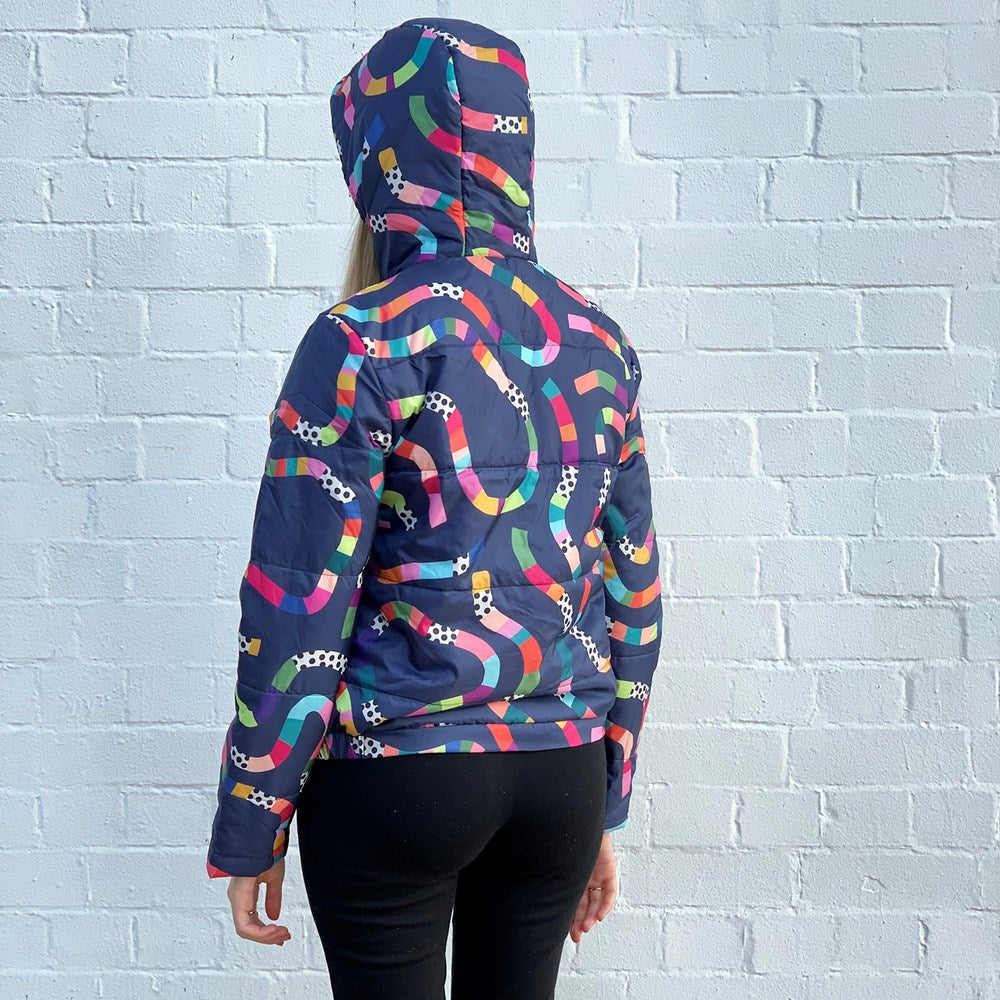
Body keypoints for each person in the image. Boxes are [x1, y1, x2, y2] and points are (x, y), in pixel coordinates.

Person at [205, 15, 663, 999]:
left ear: (375, 166)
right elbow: (632, 586)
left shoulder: (361, 338)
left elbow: (298, 598)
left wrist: (254, 819)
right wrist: (604, 797)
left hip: (400, 772)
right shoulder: (595, 339)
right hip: (558, 770)